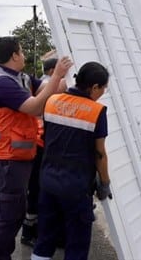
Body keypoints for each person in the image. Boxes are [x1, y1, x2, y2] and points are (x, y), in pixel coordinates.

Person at [0, 36, 72, 260]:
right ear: (14, 55)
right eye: (21, 52)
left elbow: (55, 89)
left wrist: (66, 73)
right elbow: (33, 107)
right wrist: (57, 74)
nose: (24, 55)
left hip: (17, 156)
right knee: (8, 215)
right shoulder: (0, 82)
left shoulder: (20, 77)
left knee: (14, 211)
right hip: (5, 158)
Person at [32, 61, 112, 260]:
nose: (103, 92)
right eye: (103, 88)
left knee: (45, 239)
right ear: (94, 87)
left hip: (48, 182)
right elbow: (99, 153)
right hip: (76, 188)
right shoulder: (97, 111)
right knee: (76, 242)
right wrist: (105, 182)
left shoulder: (51, 102)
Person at [21, 57, 64, 247]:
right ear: (54, 69)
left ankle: (31, 231)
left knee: (36, 189)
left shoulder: (40, 83)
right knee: (39, 189)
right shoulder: (48, 85)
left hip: (40, 144)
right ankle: (32, 232)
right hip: (42, 144)